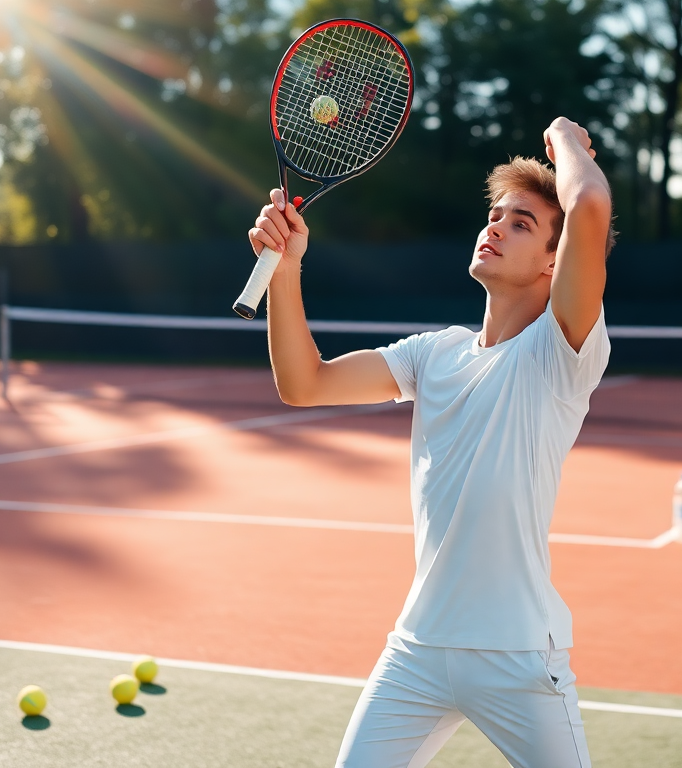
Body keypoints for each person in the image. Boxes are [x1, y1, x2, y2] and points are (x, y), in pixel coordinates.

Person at [247, 116, 614, 768]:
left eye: (521, 224)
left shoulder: (560, 351)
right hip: (415, 652)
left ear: (553, 262)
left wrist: (564, 138)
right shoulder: (433, 354)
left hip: (517, 655)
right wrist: (286, 270)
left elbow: (587, 206)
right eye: (494, 216)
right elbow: (305, 384)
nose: (495, 227)